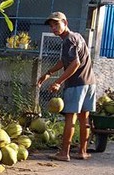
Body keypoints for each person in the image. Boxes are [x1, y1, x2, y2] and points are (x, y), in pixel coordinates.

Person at [37, 11, 96, 161]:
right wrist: (49, 73)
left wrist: (58, 81)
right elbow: (65, 61)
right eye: (51, 26)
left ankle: (64, 153)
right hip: (89, 82)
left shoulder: (68, 40)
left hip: (77, 84)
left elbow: (75, 63)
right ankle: (82, 151)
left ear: (65, 23)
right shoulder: (77, 36)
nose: (54, 28)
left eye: (57, 24)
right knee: (84, 118)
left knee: (71, 117)